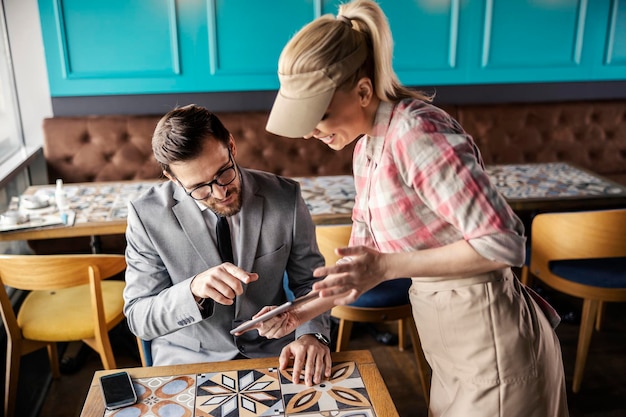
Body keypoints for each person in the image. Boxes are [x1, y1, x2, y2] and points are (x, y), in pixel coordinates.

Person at [254, 0, 570, 415]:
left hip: (491, 340)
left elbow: (504, 244)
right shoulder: (365, 148)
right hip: (448, 342)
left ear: (364, 91)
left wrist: (386, 267)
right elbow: (359, 270)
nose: (311, 131)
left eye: (321, 114)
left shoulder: (417, 131)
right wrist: (297, 313)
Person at [123, 104, 332, 386]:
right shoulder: (146, 216)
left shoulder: (286, 198)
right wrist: (192, 290)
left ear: (231, 146)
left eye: (223, 173)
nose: (220, 192)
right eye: (199, 187)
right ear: (173, 179)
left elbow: (311, 282)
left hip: (275, 354)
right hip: (187, 360)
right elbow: (139, 318)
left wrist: (310, 334)